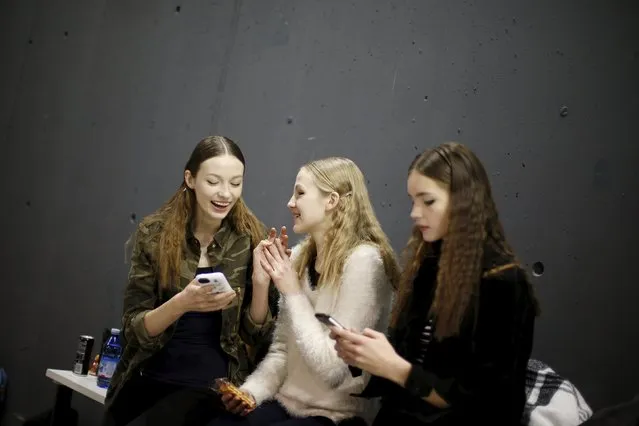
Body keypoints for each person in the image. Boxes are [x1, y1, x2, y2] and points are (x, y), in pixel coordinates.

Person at [330, 142, 541, 425]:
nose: (415, 213)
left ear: (464, 203)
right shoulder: (428, 266)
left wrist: (395, 368)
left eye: (427, 201)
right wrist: (362, 358)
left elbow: (486, 402)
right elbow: (408, 362)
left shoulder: (503, 284)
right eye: (412, 200)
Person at [102, 136, 284, 426]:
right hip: (150, 375)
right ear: (190, 178)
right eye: (214, 182)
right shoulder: (154, 234)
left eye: (235, 183)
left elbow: (256, 336)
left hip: (212, 389)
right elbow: (133, 331)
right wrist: (182, 304)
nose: (225, 193)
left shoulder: (251, 237)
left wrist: (261, 284)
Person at [211, 157, 401, 426]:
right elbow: (281, 352)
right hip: (288, 404)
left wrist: (292, 293)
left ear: (332, 200)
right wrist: (249, 393)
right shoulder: (299, 257)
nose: (290, 203)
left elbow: (333, 370)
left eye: (300, 193)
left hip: (338, 415)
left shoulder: (365, 263)